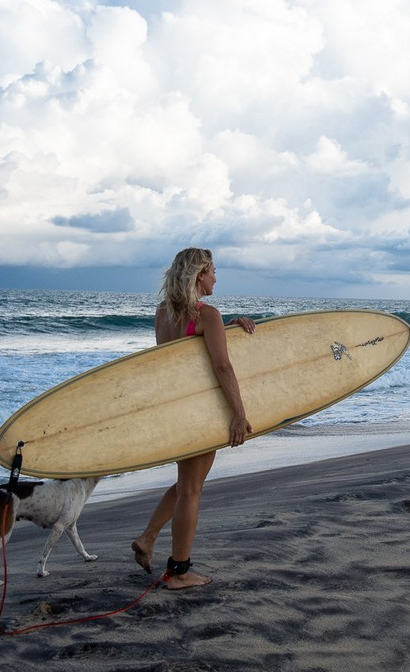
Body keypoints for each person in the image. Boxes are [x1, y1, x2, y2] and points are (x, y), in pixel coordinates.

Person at [131, 247, 255, 589]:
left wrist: (224, 328)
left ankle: (148, 538)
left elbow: (182, 359)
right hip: (202, 411)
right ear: (199, 276)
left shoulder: (162, 314)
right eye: (213, 270)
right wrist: (238, 412)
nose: (217, 276)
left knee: (189, 484)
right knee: (191, 491)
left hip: (177, 409)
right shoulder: (207, 315)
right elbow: (221, 366)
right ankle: (179, 572)